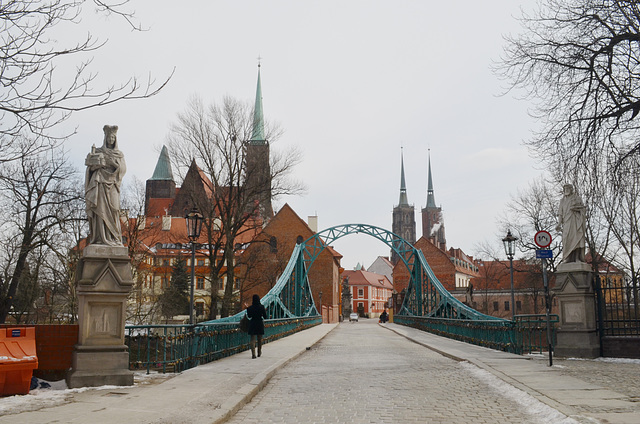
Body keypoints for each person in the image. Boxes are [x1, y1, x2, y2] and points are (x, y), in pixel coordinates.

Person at [85, 125, 126, 246]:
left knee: (114, 209)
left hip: (113, 184)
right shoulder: (98, 152)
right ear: (105, 138)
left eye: (113, 137)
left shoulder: (119, 154)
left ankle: (113, 237)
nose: (111, 140)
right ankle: (100, 238)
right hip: (100, 183)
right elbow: (90, 168)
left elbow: (123, 169)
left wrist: (114, 164)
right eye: (109, 137)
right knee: (99, 209)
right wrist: (97, 165)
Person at [556, 184, 586, 263]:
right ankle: (568, 257)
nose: (566, 190)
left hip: (576, 222)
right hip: (566, 222)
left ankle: (577, 258)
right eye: (565, 189)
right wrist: (559, 223)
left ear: (571, 189)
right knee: (566, 239)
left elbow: (583, 209)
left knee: (576, 239)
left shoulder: (577, 198)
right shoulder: (562, 201)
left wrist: (576, 209)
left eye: (568, 188)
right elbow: (560, 213)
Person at [246, 294, 267, 359]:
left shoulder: (250, 308)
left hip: (253, 323)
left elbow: (249, 316)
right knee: (259, 339)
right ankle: (259, 352)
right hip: (259, 323)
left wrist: (247, 308)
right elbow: (265, 317)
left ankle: (253, 354)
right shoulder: (262, 307)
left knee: (252, 339)